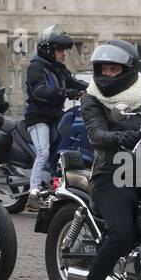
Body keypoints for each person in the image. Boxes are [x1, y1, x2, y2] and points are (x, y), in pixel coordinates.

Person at [70, 40, 141, 280]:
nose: (109, 75)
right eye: (104, 69)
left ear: (128, 69)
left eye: (115, 69)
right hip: (111, 172)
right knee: (122, 234)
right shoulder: (92, 98)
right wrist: (118, 138)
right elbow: (95, 134)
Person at [24, 26, 89, 211]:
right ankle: (33, 194)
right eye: (59, 50)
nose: (63, 54)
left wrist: (94, 89)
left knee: (62, 151)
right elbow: (39, 91)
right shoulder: (36, 68)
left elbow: (74, 82)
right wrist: (65, 92)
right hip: (38, 118)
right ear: (49, 50)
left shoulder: (58, 69)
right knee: (44, 152)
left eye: (63, 51)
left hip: (55, 116)